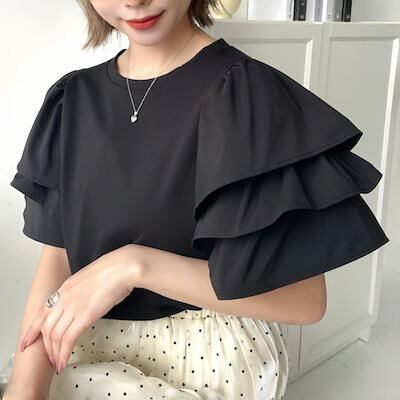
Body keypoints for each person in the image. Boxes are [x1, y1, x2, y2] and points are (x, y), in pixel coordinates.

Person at [2, 0, 389, 399]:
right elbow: (58, 258)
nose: (134, 1)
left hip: (204, 358)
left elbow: (305, 302)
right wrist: (25, 385)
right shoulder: (71, 99)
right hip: (79, 338)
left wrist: (133, 266)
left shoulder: (245, 94)